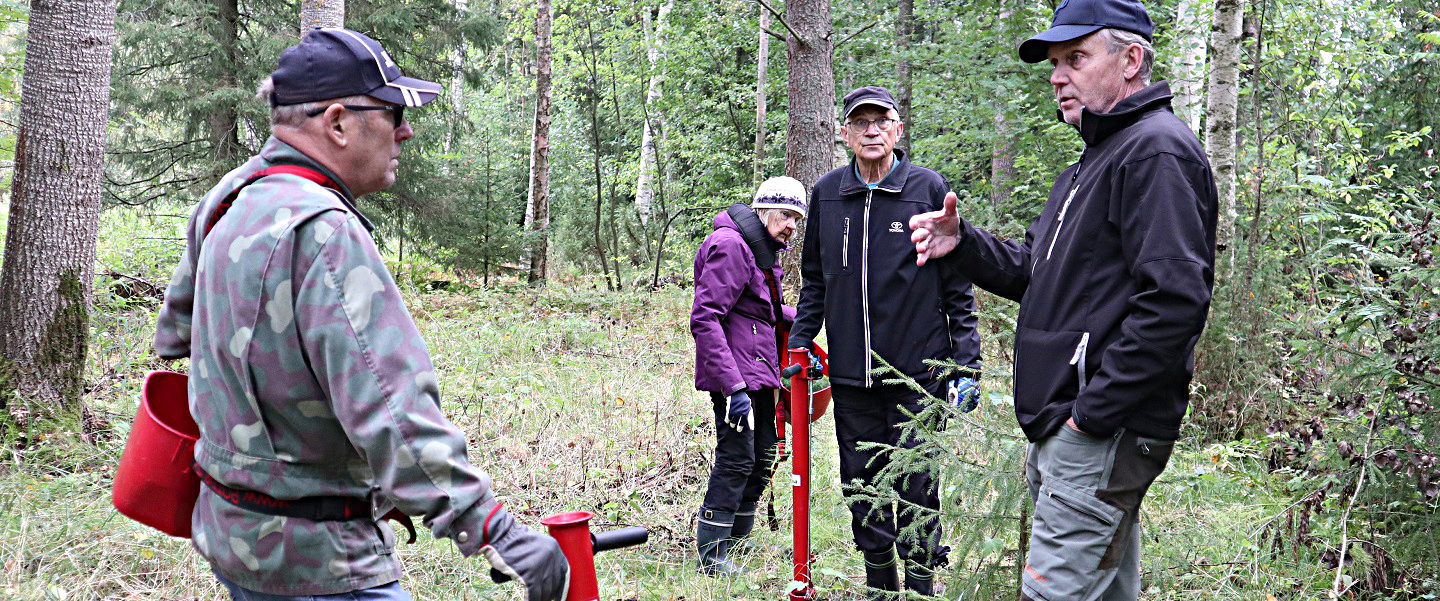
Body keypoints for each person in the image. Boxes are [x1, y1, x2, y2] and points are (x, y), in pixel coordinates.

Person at [153, 28, 568, 601]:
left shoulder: (230, 196)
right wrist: (494, 530)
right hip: (320, 559)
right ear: (339, 122)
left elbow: (178, 336)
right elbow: (392, 409)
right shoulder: (325, 232)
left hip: (232, 534)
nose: (405, 130)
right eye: (393, 111)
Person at [908, 0, 1219, 598]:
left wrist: (1091, 416)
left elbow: (1176, 300)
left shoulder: (1155, 150)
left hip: (1099, 432)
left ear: (1131, 60)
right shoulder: (1096, 159)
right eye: (1054, 62)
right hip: (1075, 429)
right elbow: (1037, 273)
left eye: (1075, 57)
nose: (1057, 76)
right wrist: (963, 244)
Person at [788, 86, 982, 597]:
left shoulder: (926, 189)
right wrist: (799, 342)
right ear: (845, 133)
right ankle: (880, 586)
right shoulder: (829, 194)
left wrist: (967, 364)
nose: (872, 130)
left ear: (898, 131)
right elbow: (815, 280)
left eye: (882, 121)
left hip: (920, 372)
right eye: (861, 122)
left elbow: (955, 284)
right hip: (852, 374)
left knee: (917, 483)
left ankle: (920, 587)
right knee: (862, 484)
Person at [689, 176, 807, 575]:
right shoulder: (732, 245)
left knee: (762, 457)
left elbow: (761, 309)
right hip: (737, 376)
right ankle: (713, 554)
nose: (791, 224)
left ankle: (737, 542)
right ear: (764, 210)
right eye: (786, 214)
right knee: (737, 459)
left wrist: (808, 319)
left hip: (758, 373)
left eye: (797, 218)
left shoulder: (758, 248)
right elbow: (706, 318)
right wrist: (733, 387)